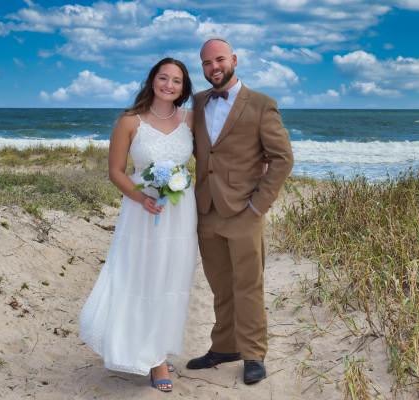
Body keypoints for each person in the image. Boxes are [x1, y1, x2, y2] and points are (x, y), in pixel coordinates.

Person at [79, 57, 197, 393]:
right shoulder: (130, 121)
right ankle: (154, 360)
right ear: (152, 80)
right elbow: (116, 170)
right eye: (164, 78)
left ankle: (157, 346)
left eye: (176, 81)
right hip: (142, 211)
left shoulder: (190, 119)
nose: (169, 85)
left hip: (180, 211)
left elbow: (212, 157)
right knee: (141, 277)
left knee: (171, 278)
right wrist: (140, 198)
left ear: (183, 88)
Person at [187, 38, 294, 384]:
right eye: (206, 63)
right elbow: (202, 153)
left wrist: (257, 206)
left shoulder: (262, 104)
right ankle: (224, 346)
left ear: (234, 59)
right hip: (207, 210)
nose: (213, 67)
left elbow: (281, 159)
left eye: (219, 60)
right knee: (220, 285)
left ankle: (252, 354)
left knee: (248, 285)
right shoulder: (199, 101)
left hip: (244, 212)